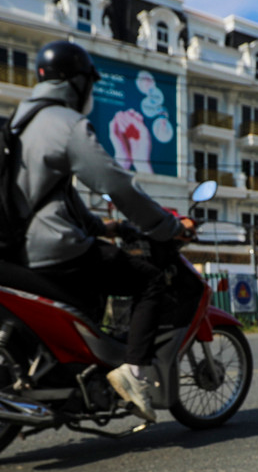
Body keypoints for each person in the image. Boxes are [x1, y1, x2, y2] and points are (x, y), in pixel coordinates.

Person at [13, 40, 194, 422]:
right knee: (150, 281)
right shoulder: (66, 124)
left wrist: (105, 226)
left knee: (96, 283)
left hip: (20, 244)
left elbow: (53, 194)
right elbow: (116, 184)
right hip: (52, 246)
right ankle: (134, 373)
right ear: (77, 82)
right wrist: (166, 227)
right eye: (89, 85)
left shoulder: (20, 122)